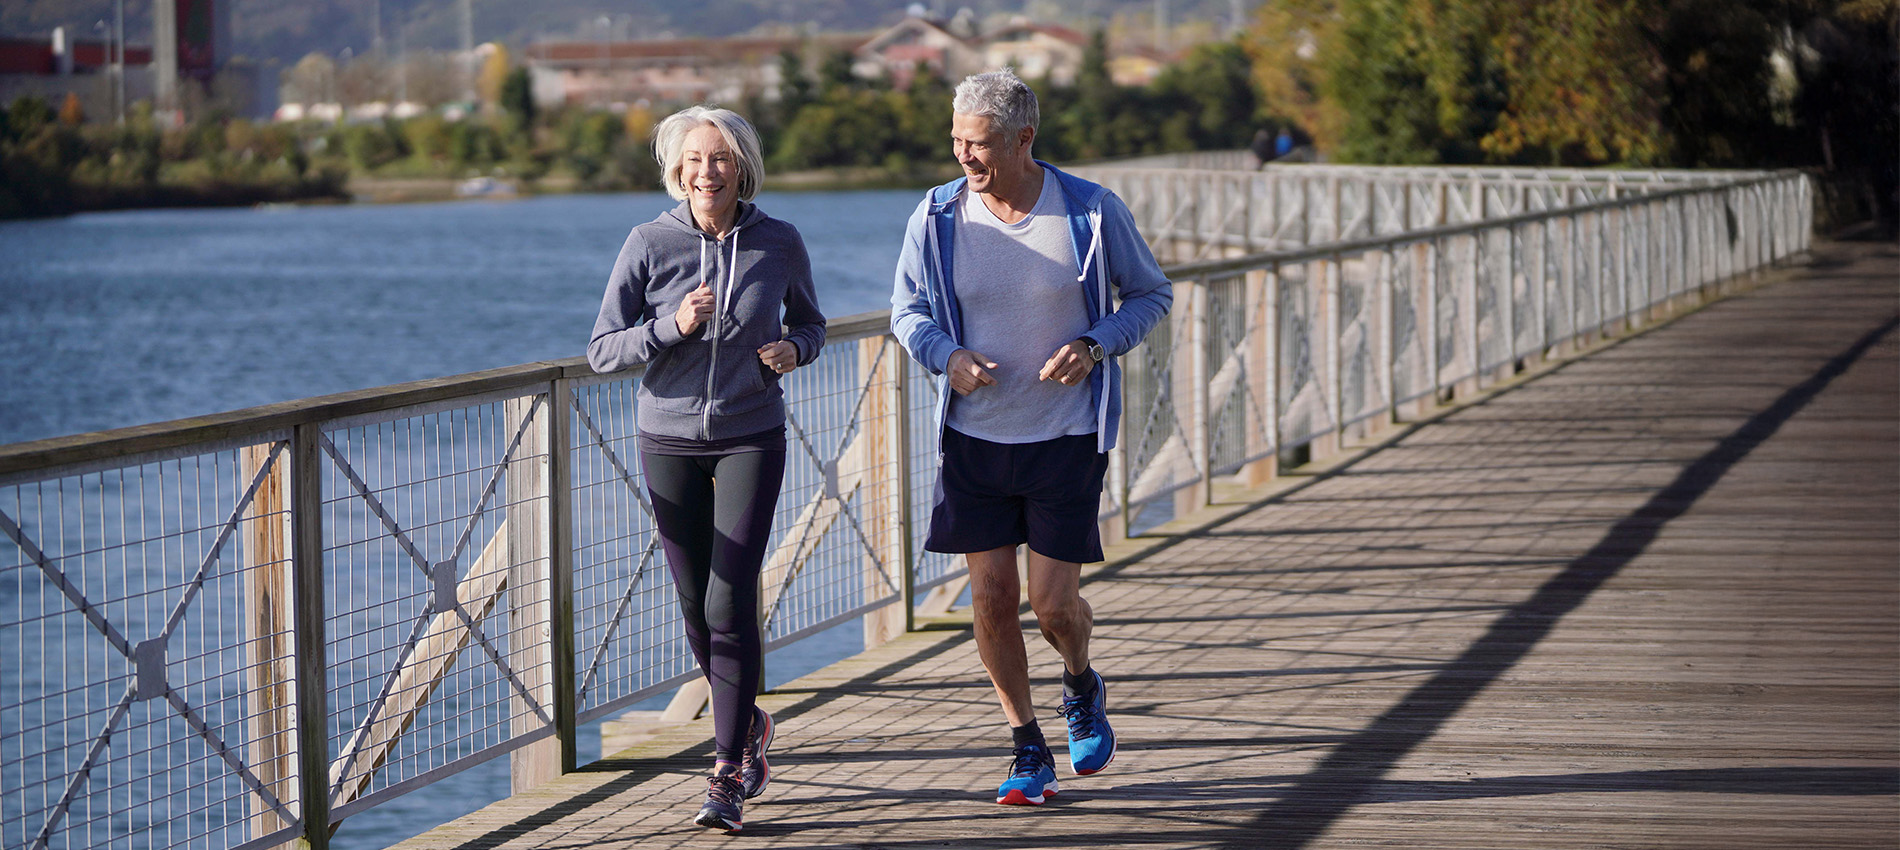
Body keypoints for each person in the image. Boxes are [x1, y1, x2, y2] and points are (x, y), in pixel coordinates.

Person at [889, 69, 1172, 806]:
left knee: (1052, 607)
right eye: (955, 141)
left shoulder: (1091, 212)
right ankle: (1025, 746)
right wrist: (944, 356)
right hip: (976, 439)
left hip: (1065, 436)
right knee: (989, 597)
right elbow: (908, 310)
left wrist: (1096, 343)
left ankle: (1080, 682)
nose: (964, 158)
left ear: (1024, 139)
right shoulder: (936, 215)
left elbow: (1150, 293)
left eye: (977, 144)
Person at [586, 105, 825, 832]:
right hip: (667, 440)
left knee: (728, 601)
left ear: (741, 166)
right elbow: (601, 350)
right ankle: (748, 724)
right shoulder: (648, 243)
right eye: (694, 158)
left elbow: (811, 323)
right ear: (675, 168)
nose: (706, 171)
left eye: (720, 158)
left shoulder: (777, 242)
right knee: (694, 605)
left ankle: (725, 770)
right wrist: (672, 327)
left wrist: (795, 351)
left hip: (752, 433)